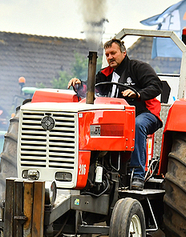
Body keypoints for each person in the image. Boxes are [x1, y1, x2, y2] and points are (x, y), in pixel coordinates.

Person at [68, 38, 162, 190]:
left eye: (113, 53)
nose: (110, 57)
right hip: (116, 119)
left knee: (137, 125)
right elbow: (90, 89)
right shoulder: (105, 74)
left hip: (144, 113)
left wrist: (137, 94)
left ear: (123, 53)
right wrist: (79, 83)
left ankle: (137, 174)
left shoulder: (138, 68)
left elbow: (156, 86)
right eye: (107, 54)